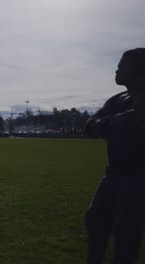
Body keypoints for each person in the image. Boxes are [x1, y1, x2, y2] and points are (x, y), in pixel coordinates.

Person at [84, 48, 145, 264]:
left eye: (122, 66)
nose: (116, 69)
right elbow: (89, 126)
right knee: (95, 220)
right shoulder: (118, 99)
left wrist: (103, 125)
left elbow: (134, 125)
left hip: (139, 178)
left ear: (139, 70)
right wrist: (107, 124)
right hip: (113, 175)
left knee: (126, 232)